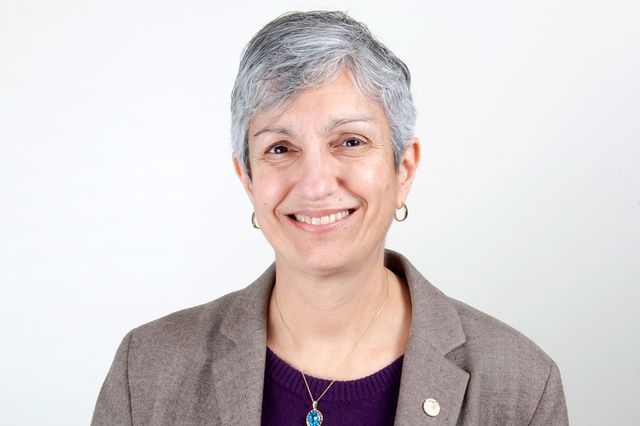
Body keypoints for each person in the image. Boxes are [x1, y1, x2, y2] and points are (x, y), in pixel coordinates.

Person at [91, 11, 568, 425]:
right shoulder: (146, 370)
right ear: (248, 180)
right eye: (280, 148)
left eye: (350, 142)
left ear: (404, 169)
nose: (316, 184)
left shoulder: (520, 385)